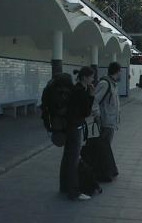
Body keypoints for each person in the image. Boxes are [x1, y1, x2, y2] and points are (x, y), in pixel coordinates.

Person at [60, 66, 95, 201]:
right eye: (91, 76)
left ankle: (64, 186)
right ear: (85, 77)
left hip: (69, 126)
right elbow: (86, 112)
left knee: (67, 157)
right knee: (73, 160)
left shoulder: (75, 89)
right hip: (75, 127)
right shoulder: (81, 91)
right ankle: (74, 191)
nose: (93, 79)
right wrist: (91, 96)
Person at [93, 62, 121, 144]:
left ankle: (100, 157)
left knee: (105, 146)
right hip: (106, 121)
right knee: (105, 146)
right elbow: (94, 100)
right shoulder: (105, 84)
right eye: (120, 72)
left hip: (111, 121)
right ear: (117, 71)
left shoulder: (113, 84)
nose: (121, 74)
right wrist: (97, 115)